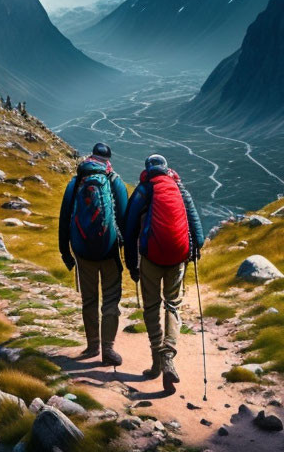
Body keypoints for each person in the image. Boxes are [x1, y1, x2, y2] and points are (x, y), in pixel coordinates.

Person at [123, 154, 205, 392]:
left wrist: (132, 265)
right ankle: (168, 355)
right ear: (167, 169)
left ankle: (157, 362)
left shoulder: (144, 190)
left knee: (151, 307)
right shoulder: (180, 189)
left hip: (150, 257)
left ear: (148, 169)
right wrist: (194, 251)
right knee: (172, 305)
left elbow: (129, 230)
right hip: (178, 257)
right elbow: (196, 228)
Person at [59, 142, 129, 366]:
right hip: (109, 252)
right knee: (110, 299)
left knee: (89, 300)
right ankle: (108, 350)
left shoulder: (76, 181)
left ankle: (92, 346)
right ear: (108, 160)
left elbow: (64, 218)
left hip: (82, 252)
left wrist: (65, 252)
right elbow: (125, 221)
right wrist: (129, 257)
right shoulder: (114, 181)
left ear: (91, 156)